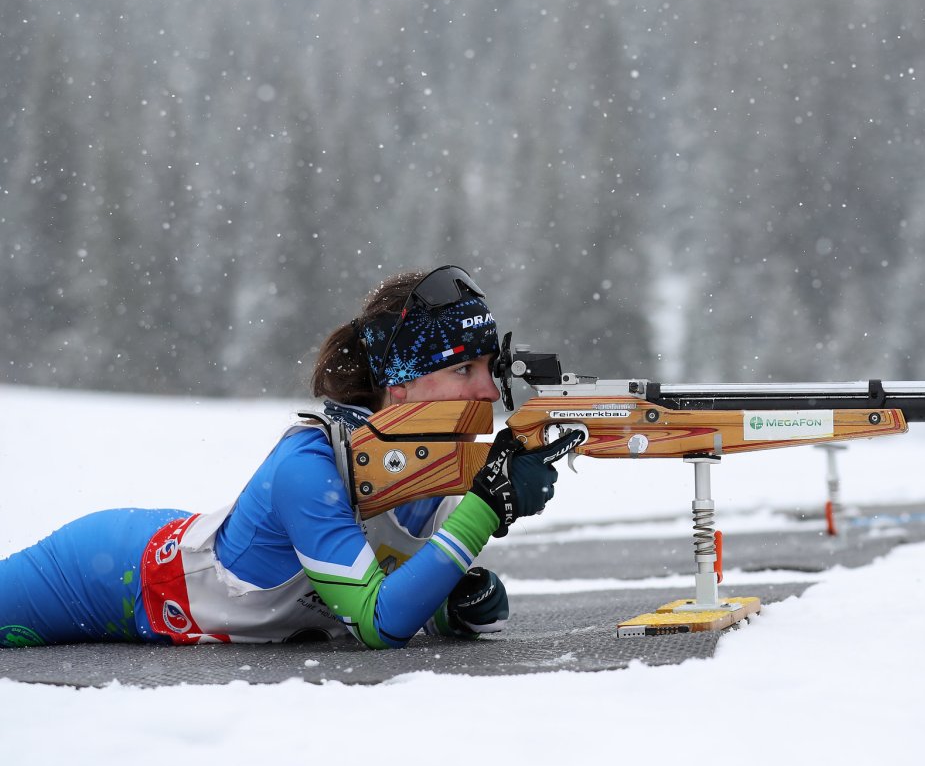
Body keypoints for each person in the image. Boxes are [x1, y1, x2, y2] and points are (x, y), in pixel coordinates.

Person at [0, 265, 581, 649]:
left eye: (489, 371)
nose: (487, 392)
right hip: (105, 576)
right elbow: (380, 622)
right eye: (463, 369)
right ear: (399, 385)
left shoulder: (432, 470)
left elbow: (409, 592)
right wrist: (484, 510)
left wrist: (458, 601)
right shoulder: (310, 465)